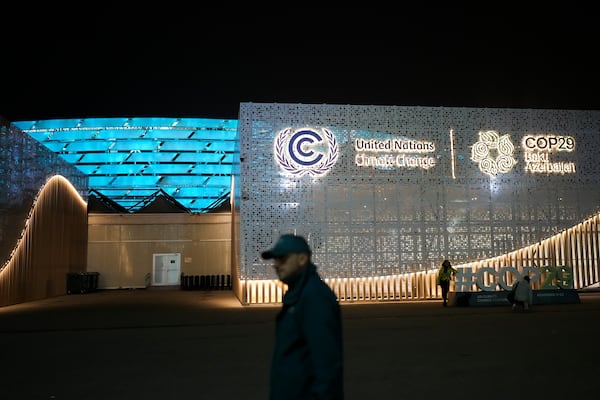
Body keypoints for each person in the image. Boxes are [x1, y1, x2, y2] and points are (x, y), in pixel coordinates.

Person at [261, 233, 344, 400]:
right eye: (275, 259)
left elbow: (326, 363)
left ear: (302, 259)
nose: (276, 264)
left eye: (283, 258)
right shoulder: (298, 294)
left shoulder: (315, 298)